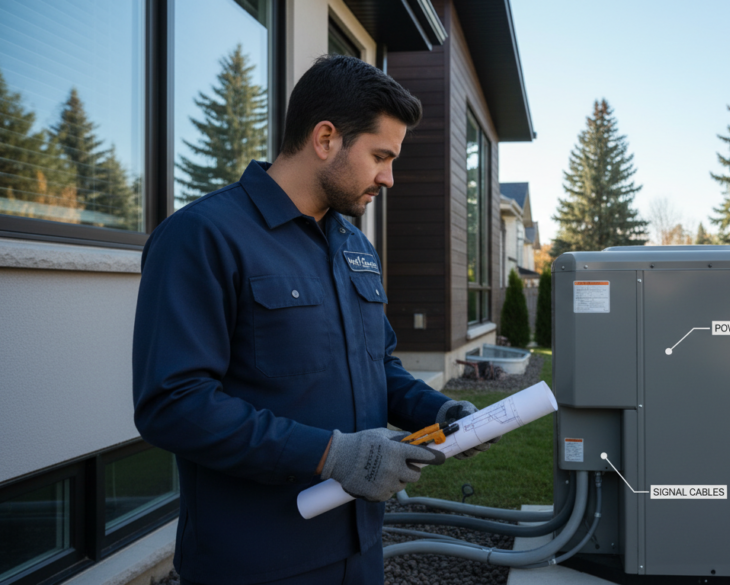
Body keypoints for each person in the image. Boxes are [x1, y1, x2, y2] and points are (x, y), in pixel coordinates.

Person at [132, 55, 499, 585]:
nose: (389, 178)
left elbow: (379, 365)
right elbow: (173, 403)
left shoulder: (354, 246)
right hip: (256, 561)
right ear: (325, 138)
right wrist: (329, 453)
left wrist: (440, 410)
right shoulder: (202, 237)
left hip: (360, 546)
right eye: (380, 156)